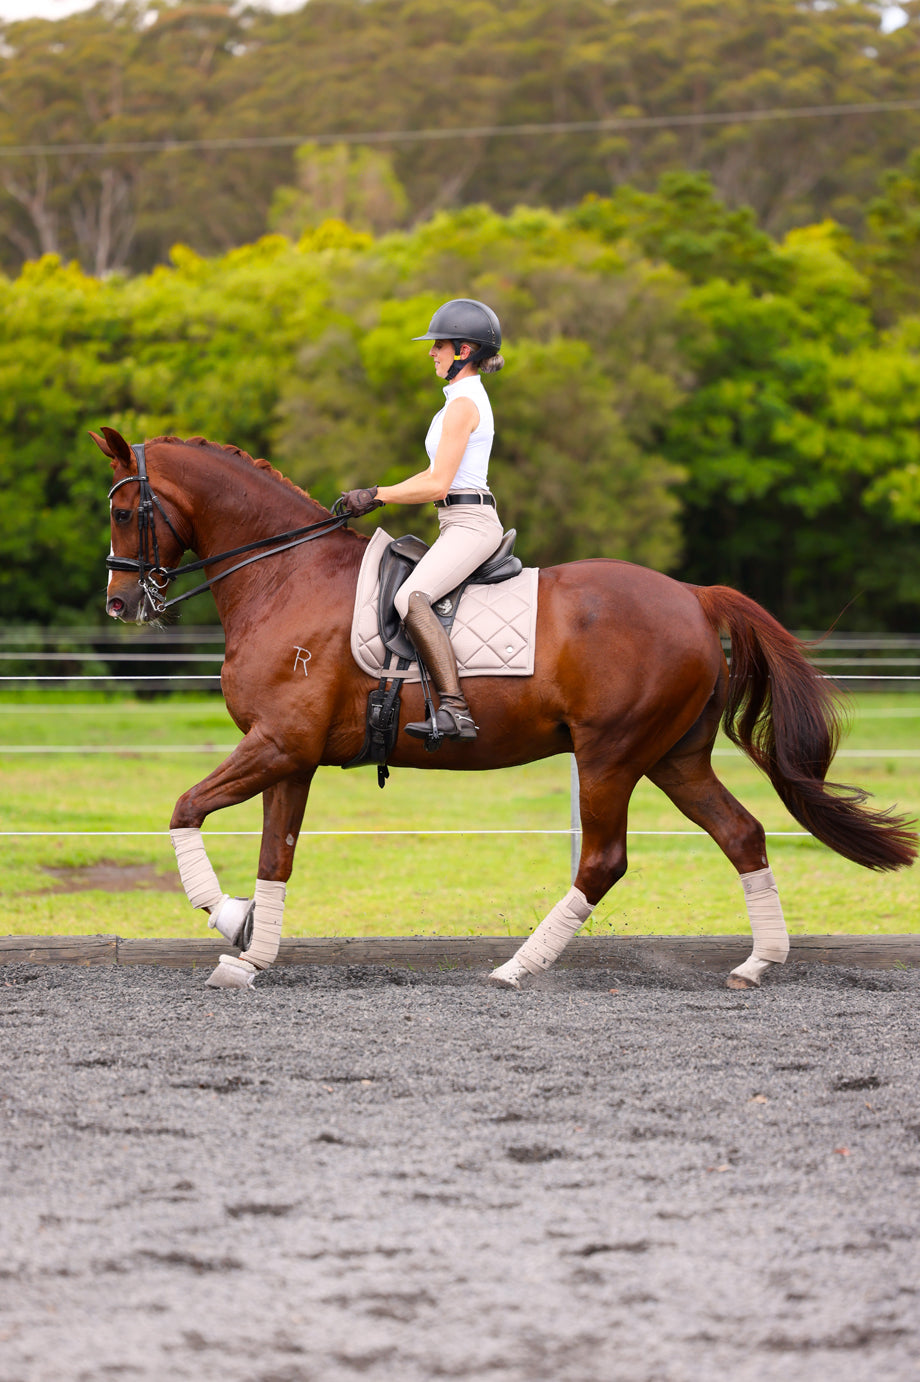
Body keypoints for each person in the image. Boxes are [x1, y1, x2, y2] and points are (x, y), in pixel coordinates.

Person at [339, 298, 505, 742]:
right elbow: (433, 477)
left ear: (464, 351)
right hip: (455, 520)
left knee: (412, 598)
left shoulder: (463, 405)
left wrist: (377, 494)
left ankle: (455, 710)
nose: (432, 352)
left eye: (440, 345)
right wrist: (379, 496)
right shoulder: (457, 401)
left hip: (471, 523)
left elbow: (436, 485)